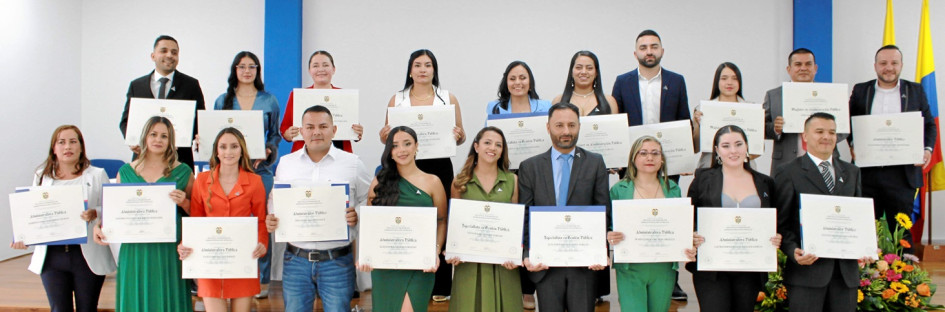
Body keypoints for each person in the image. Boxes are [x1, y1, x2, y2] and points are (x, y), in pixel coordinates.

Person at [378, 49, 466, 301]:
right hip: (405, 165)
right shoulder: (397, 99)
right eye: (418, 65)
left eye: (428, 65)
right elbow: (387, 138)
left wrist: (459, 137)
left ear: (434, 70)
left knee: (440, 217)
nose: (423, 70)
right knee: (407, 216)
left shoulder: (448, 98)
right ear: (410, 70)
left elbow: (461, 138)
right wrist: (384, 136)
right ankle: (406, 276)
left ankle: (440, 286)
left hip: (439, 164)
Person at [610, 29, 692, 300]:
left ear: (662, 51)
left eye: (654, 46)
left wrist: (685, 159)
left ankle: (671, 277)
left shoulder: (677, 81)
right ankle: (633, 265)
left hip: (665, 165)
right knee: (634, 222)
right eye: (643, 47)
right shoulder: (622, 82)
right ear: (635, 53)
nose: (649, 51)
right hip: (634, 163)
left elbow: (684, 121)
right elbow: (617, 125)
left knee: (667, 221)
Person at [266, 105, 369, 312]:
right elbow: (275, 197)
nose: (316, 132)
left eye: (323, 126)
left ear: (334, 130)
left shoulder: (352, 163)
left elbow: (369, 197)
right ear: (301, 131)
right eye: (310, 127)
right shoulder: (286, 163)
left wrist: (358, 213)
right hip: (296, 260)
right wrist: (272, 216)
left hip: (337, 262)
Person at [10, 125, 116, 312]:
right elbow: (31, 210)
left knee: (87, 308)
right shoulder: (42, 176)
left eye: (73, 142)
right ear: (54, 148)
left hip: (86, 256)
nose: (67, 147)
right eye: (62, 142)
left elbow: (110, 209)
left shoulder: (97, 174)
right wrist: (22, 234)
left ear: (81, 147)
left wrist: (95, 212)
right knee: (59, 309)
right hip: (52, 257)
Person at [95, 116, 195, 311]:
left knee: (168, 296)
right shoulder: (125, 172)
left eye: (164, 136)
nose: (158, 140)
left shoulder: (183, 171)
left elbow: (198, 212)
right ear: (145, 138)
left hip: (169, 247)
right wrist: (99, 226)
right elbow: (114, 210)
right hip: (135, 247)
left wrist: (183, 201)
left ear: (171, 141)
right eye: (153, 134)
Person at [518, 102, 609, 312]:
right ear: (548, 127)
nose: (566, 131)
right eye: (559, 125)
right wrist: (525, 254)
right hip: (545, 264)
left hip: (583, 264)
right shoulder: (530, 167)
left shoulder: (595, 163)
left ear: (579, 126)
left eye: (572, 125)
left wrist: (600, 250)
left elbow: (603, 211)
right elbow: (524, 216)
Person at [775, 112, 868, 311]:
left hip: (845, 275)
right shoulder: (788, 172)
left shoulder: (852, 172)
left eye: (832, 132)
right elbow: (781, 223)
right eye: (819, 131)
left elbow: (859, 219)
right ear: (805, 136)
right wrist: (793, 252)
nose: (826, 137)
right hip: (807, 273)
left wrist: (866, 247)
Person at [847, 44, 936, 251]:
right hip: (867, 173)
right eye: (884, 63)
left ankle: (905, 280)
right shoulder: (861, 90)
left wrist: (927, 150)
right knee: (865, 229)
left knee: (902, 233)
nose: (889, 68)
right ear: (875, 65)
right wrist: (852, 144)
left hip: (902, 175)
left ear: (901, 65)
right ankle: (866, 280)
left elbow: (929, 125)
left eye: (894, 63)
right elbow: (848, 123)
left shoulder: (915, 90)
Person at [686, 125, 781, 312]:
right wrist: (692, 234)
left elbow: (775, 219)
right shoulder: (703, 179)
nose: (733, 151)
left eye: (739, 144)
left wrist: (776, 236)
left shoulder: (765, 182)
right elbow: (689, 217)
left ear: (747, 147)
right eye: (726, 146)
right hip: (711, 267)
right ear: (716, 150)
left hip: (750, 267)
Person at [211, 51, 281, 298]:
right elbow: (214, 135)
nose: (247, 71)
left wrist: (269, 150)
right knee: (230, 221)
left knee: (260, 223)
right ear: (235, 70)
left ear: (257, 71)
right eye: (242, 67)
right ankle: (230, 274)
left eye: (252, 66)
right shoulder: (223, 101)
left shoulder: (268, 100)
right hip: (229, 171)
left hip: (260, 170)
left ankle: (261, 281)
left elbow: (274, 134)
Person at [177, 128, 268, 312]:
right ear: (216, 151)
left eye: (234, 146)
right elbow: (196, 221)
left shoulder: (255, 181)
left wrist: (262, 243)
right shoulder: (202, 180)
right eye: (223, 147)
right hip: (210, 261)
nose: (228, 152)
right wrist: (184, 244)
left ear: (241, 150)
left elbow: (261, 219)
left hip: (242, 258)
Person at [361, 126, 448, 312]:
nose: (402, 150)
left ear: (416, 146)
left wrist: (436, 250)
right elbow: (371, 224)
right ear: (389, 152)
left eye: (407, 144)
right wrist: (367, 254)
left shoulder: (433, 181)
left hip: (419, 265)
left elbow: (441, 221)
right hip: (386, 265)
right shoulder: (379, 182)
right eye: (395, 146)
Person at [606, 135, 696, 311]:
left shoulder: (673, 189)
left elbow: (679, 225)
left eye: (655, 153)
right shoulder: (619, 190)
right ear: (633, 158)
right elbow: (609, 224)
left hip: (663, 265)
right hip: (630, 266)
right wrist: (609, 234)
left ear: (662, 159)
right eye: (643, 153)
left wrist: (688, 239)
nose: (650, 158)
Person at [446, 127, 523, 311]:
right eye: (487, 142)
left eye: (498, 145)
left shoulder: (513, 180)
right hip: (469, 263)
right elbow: (454, 224)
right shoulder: (460, 182)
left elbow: (516, 224)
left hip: (504, 264)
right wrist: (453, 250)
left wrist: (515, 252)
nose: (493, 148)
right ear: (476, 147)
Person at [119, 35, 205, 170]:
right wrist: (132, 140)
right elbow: (125, 121)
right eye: (164, 51)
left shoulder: (191, 85)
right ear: (153, 56)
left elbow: (200, 121)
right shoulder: (137, 85)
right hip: (143, 159)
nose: (169, 55)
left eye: (174, 52)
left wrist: (186, 136)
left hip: (179, 160)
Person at [280, 50, 364, 153]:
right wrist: (288, 133)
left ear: (333, 69)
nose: (321, 69)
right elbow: (284, 127)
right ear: (309, 70)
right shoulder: (297, 96)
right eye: (315, 66)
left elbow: (353, 129)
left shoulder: (345, 96)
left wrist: (356, 132)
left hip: (340, 152)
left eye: (325, 65)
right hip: (305, 153)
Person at [695, 62, 760, 169]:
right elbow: (696, 147)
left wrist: (739, 157)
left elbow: (758, 147)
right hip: (710, 167)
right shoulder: (702, 109)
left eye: (734, 78)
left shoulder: (751, 109)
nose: (729, 83)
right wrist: (697, 124)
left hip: (743, 169)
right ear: (717, 81)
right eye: (724, 78)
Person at [552, 50, 618, 116]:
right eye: (578, 68)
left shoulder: (609, 101)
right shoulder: (558, 100)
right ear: (571, 72)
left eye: (589, 68)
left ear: (596, 73)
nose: (583, 72)